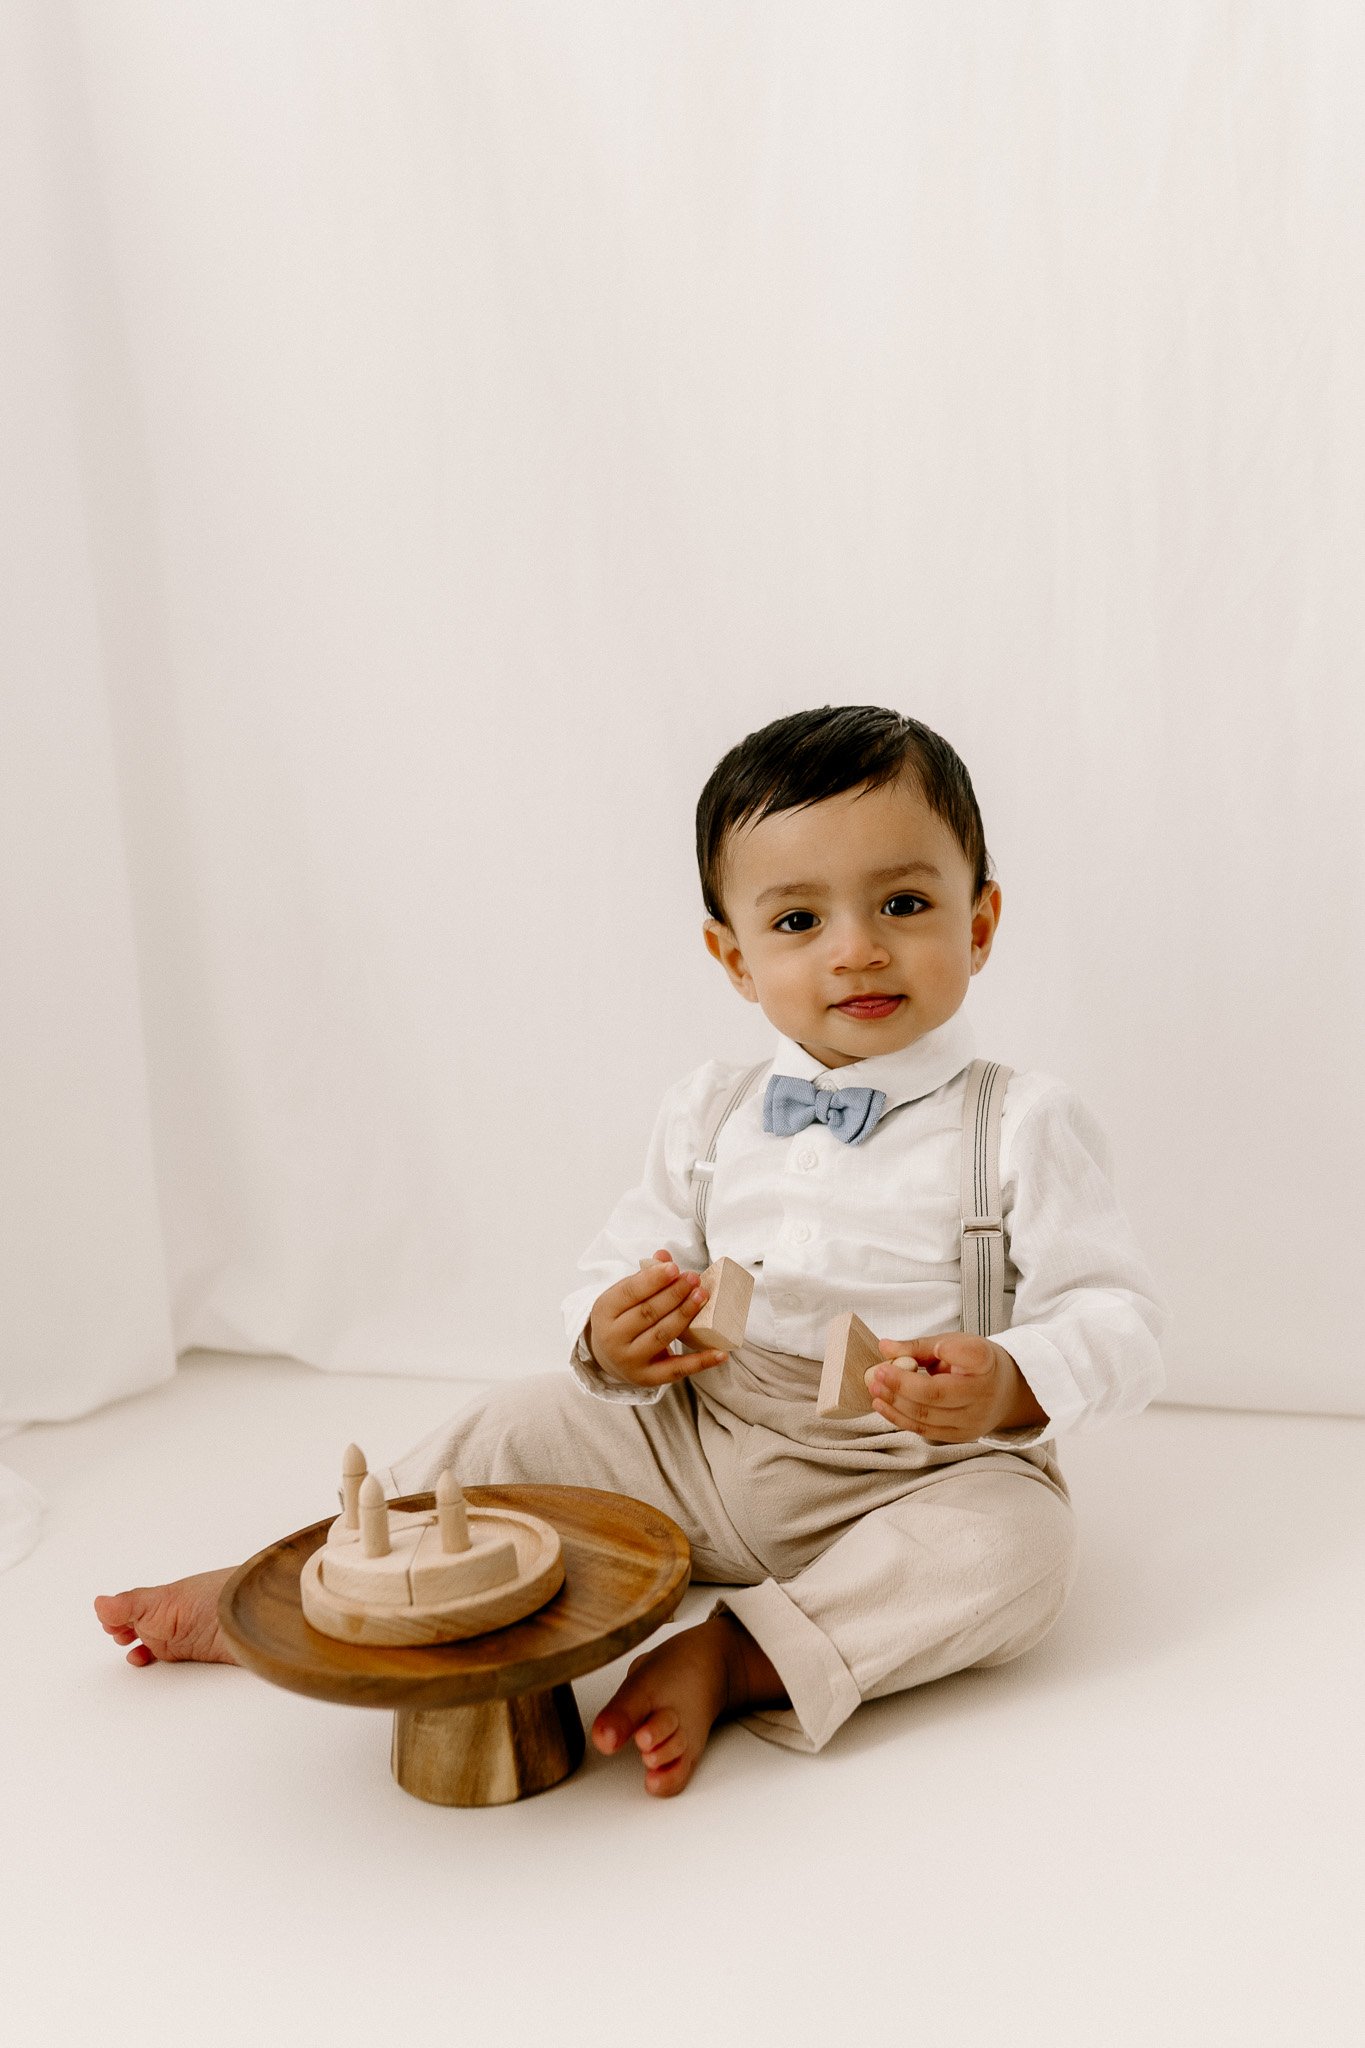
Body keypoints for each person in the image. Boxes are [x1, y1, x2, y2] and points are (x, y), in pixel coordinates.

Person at [96, 705, 1165, 1797]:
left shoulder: (1021, 1122)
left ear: (979, 924)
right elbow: (620, 1256)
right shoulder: (712, 1109)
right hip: (702, 1437)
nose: (857, 948)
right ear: (733, 956)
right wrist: (612, 1332)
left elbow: (1120, 1319)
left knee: (1019, 1547)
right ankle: (319, 1573)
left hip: (903, 1471)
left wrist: (1013, 1380)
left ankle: (746, 1650)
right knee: (515, 1418)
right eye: (798, 919)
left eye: (903, 902)